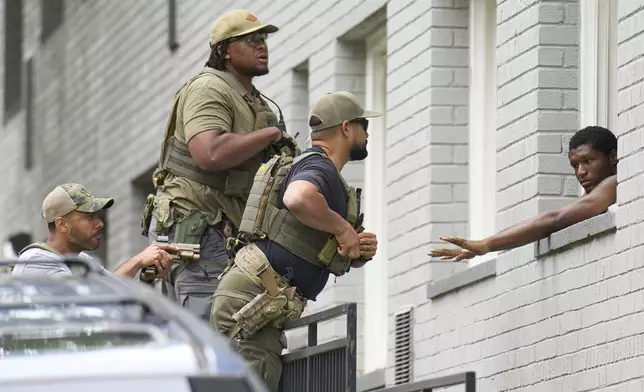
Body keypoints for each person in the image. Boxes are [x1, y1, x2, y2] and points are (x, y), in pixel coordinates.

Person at [210, 91, 380, 391]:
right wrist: (342, 229)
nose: (367, 132)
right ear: (345, 128)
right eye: (363, 124)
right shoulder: (320, 168)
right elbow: (298, 197)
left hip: (256, 303)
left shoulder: (315, 168)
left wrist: (353, 251)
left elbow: (301, 239)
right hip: (251, 308)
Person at [141, 8, 299, 321]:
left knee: (224, 332)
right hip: (200, 227)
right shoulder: (209, 88)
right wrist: (269, 134)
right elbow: (208, 152)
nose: (262, 45)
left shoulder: (251, 99)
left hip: (221, 230)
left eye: (264, 38)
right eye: (251, 39)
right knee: (209, 334)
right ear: (225, 50)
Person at [429, 125, 618, 261]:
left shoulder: (616, 182)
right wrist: (484, 245)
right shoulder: (593, 196)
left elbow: (556, 219)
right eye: (575, 165)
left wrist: (487, 244)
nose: (580, 172)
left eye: (588, 161)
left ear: (613, 156)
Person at [12, 183, 177, 278]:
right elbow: (95, 302)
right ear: (62, 224)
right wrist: (137, 261)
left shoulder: (82, 260)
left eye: (98, 216)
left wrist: (147, 275)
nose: (100, 224)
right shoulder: (37, 263)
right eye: (89, 218)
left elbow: (114, 293)